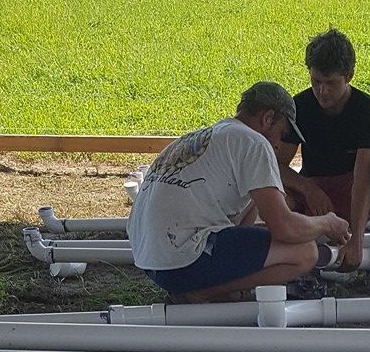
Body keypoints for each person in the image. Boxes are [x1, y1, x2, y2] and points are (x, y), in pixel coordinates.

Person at [127, 82, 349, 304]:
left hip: (151, 262)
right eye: (281, 134)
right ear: (268, 118)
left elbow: (247, 224)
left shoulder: (203, 136)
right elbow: (285, 228)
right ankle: (205, 292)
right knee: (304, 252)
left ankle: (207, 287)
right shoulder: (254, 142)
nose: (278, 145)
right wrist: (327, 223)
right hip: (183, 260)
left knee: (252, 201)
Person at [289, 27, 370, 280]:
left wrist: (357, 241)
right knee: (278, 191)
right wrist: (308, 189)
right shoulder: (299, 106)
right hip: (314, 194)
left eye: (330, 84)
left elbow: (362, 178)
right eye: (316, 82)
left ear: (349, 75)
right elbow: (275, 164)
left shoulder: (367, 111)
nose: (322, 91)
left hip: (352, 189)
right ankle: (293, 262)